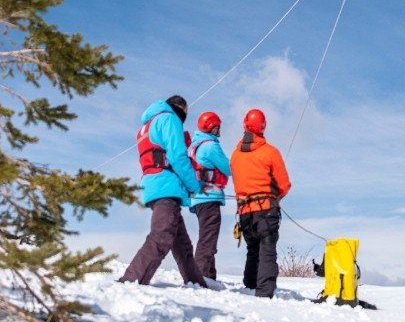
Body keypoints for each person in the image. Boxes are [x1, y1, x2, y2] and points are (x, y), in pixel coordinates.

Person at [119, 95, 208, 288]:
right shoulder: (169, 118)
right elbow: (177, 156)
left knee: (182, 244)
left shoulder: (148, 124)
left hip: (153, 184)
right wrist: (194, 186)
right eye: (186, 113)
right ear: (181, 109)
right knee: (162, 235)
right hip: (165, 185)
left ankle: (197, 283)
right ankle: (130, 281)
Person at [230, 108, 292, 298]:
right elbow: (284, 184)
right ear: (263, 126)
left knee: (253, 249)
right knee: (267, 248)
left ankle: (250, 285)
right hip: (266, 209)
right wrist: (275, 197)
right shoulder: (270, 152)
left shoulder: (235, 155)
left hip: (244, 211)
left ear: (244, 125)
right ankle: (264, 292)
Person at [187, 111, 232, 281]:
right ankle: (200, 278)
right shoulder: (211, 146)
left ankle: (210, 277)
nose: (220, 129)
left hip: (198, 198)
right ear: (212, 127)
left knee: (206, 237)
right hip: (209, 196)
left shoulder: (195, 146)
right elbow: (228, 168)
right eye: (218, 126)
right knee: (208, 240)